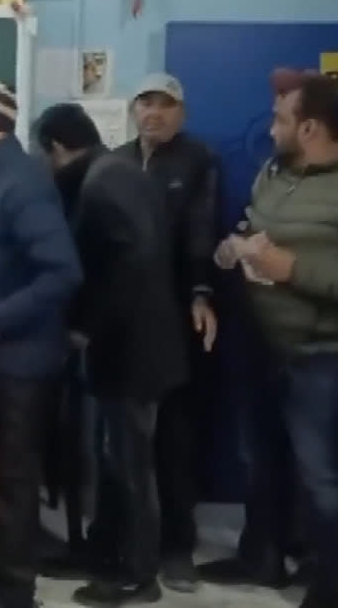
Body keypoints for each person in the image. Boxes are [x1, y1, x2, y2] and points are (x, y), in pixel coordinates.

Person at [213, 75, 338, 608]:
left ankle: (326, 590)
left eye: (280, 119)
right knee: (260, 459)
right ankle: (263, 558)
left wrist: (292, 268)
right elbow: (255, 220)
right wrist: (240, 246)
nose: (270, 126)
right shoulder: (275, 170)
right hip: (261, 344)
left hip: (325, 357)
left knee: (321, 472)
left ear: (310, 127)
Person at [38, 103, 187, 605]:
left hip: (133, 350)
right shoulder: (118, 169)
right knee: (115, 458)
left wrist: (85, 327)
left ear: (57, 148)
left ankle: (137, 575)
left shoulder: (103, 181)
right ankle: (105, 551)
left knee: (130, 464)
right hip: (135, 344)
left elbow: (133, 261)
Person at [0, 81, 82, 608]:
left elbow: (63, 273)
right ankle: (5, 571)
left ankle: (17, 589)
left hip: (23, 360)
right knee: (0, 469)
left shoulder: (22, 185)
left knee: (16, 474)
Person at [112, 72, 219, 592]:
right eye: (145, 103)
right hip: (123, 323)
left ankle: (178, 548)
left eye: (165, 105)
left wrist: (200, 294)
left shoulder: (197, 161)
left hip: (176, 322)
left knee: (174, 438)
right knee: (124, 444)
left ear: (182, 113)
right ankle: (126, 545)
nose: (154, 113)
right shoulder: (117, 161)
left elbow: (202, 231)